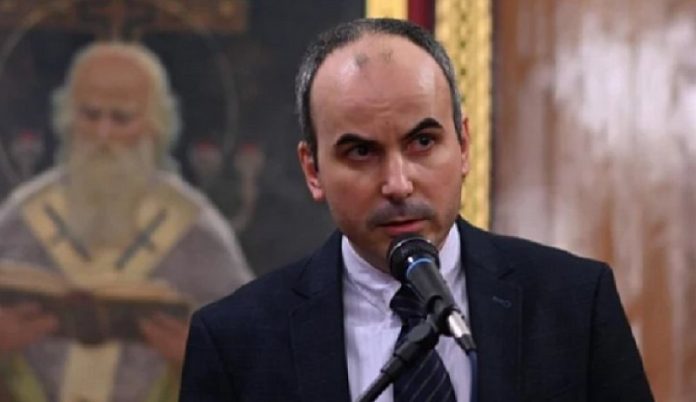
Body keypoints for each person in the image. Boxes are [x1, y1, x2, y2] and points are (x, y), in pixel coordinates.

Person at [179, 18, 653, 402]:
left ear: (463, 145)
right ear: (313, 170)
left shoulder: (574, 304)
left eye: (423, 142)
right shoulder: (235, 342)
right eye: (361, 152)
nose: (398, 184)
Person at [0, 42, 253, 402]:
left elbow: (254, 363)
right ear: (68, 117)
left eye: (121, 118)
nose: (103, 134)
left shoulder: (196, 229)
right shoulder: (21, 218)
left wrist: (198, 357)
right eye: (90, 114)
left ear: (154, 124)